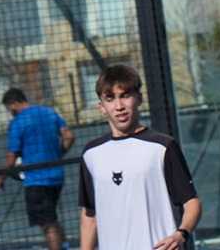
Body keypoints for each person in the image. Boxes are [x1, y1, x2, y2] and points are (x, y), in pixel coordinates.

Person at [78, 64, 201, 250]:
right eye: (110, 99)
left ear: (139, 99)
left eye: (125, 96)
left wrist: (180, 234)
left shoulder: (163, 147)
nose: (119, 106)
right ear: (101, 107)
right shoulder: (91, 154)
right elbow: (89, 215)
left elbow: (192, 202)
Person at [0, 88, 75, 250]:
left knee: (47, 224)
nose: (10, 112)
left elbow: (11, 157)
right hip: (56, 177)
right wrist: (57, 155)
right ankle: (65, 246)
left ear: (13, 104)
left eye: (8, 109)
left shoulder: (18, 123)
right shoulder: (48, 112)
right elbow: (69, 136)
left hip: (36, 181)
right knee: (51, 218)